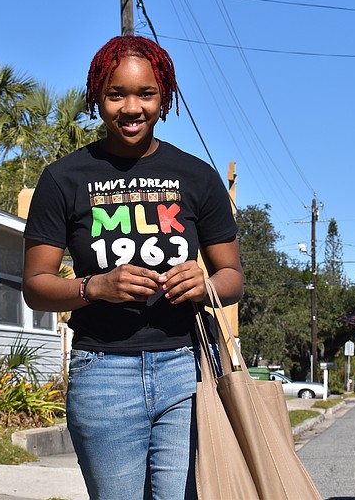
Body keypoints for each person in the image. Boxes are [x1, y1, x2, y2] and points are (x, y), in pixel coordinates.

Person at [22, 35, 243, 500]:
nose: (131, 108)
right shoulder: (64, 178)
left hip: (188, 367)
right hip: (103, 371)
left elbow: (233, 277)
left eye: (146, 94)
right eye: (115, 94)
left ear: (165, 97)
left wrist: (204, 284)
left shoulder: (197, 177)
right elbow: (36, 286)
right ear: (96, 98)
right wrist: (94, 287)